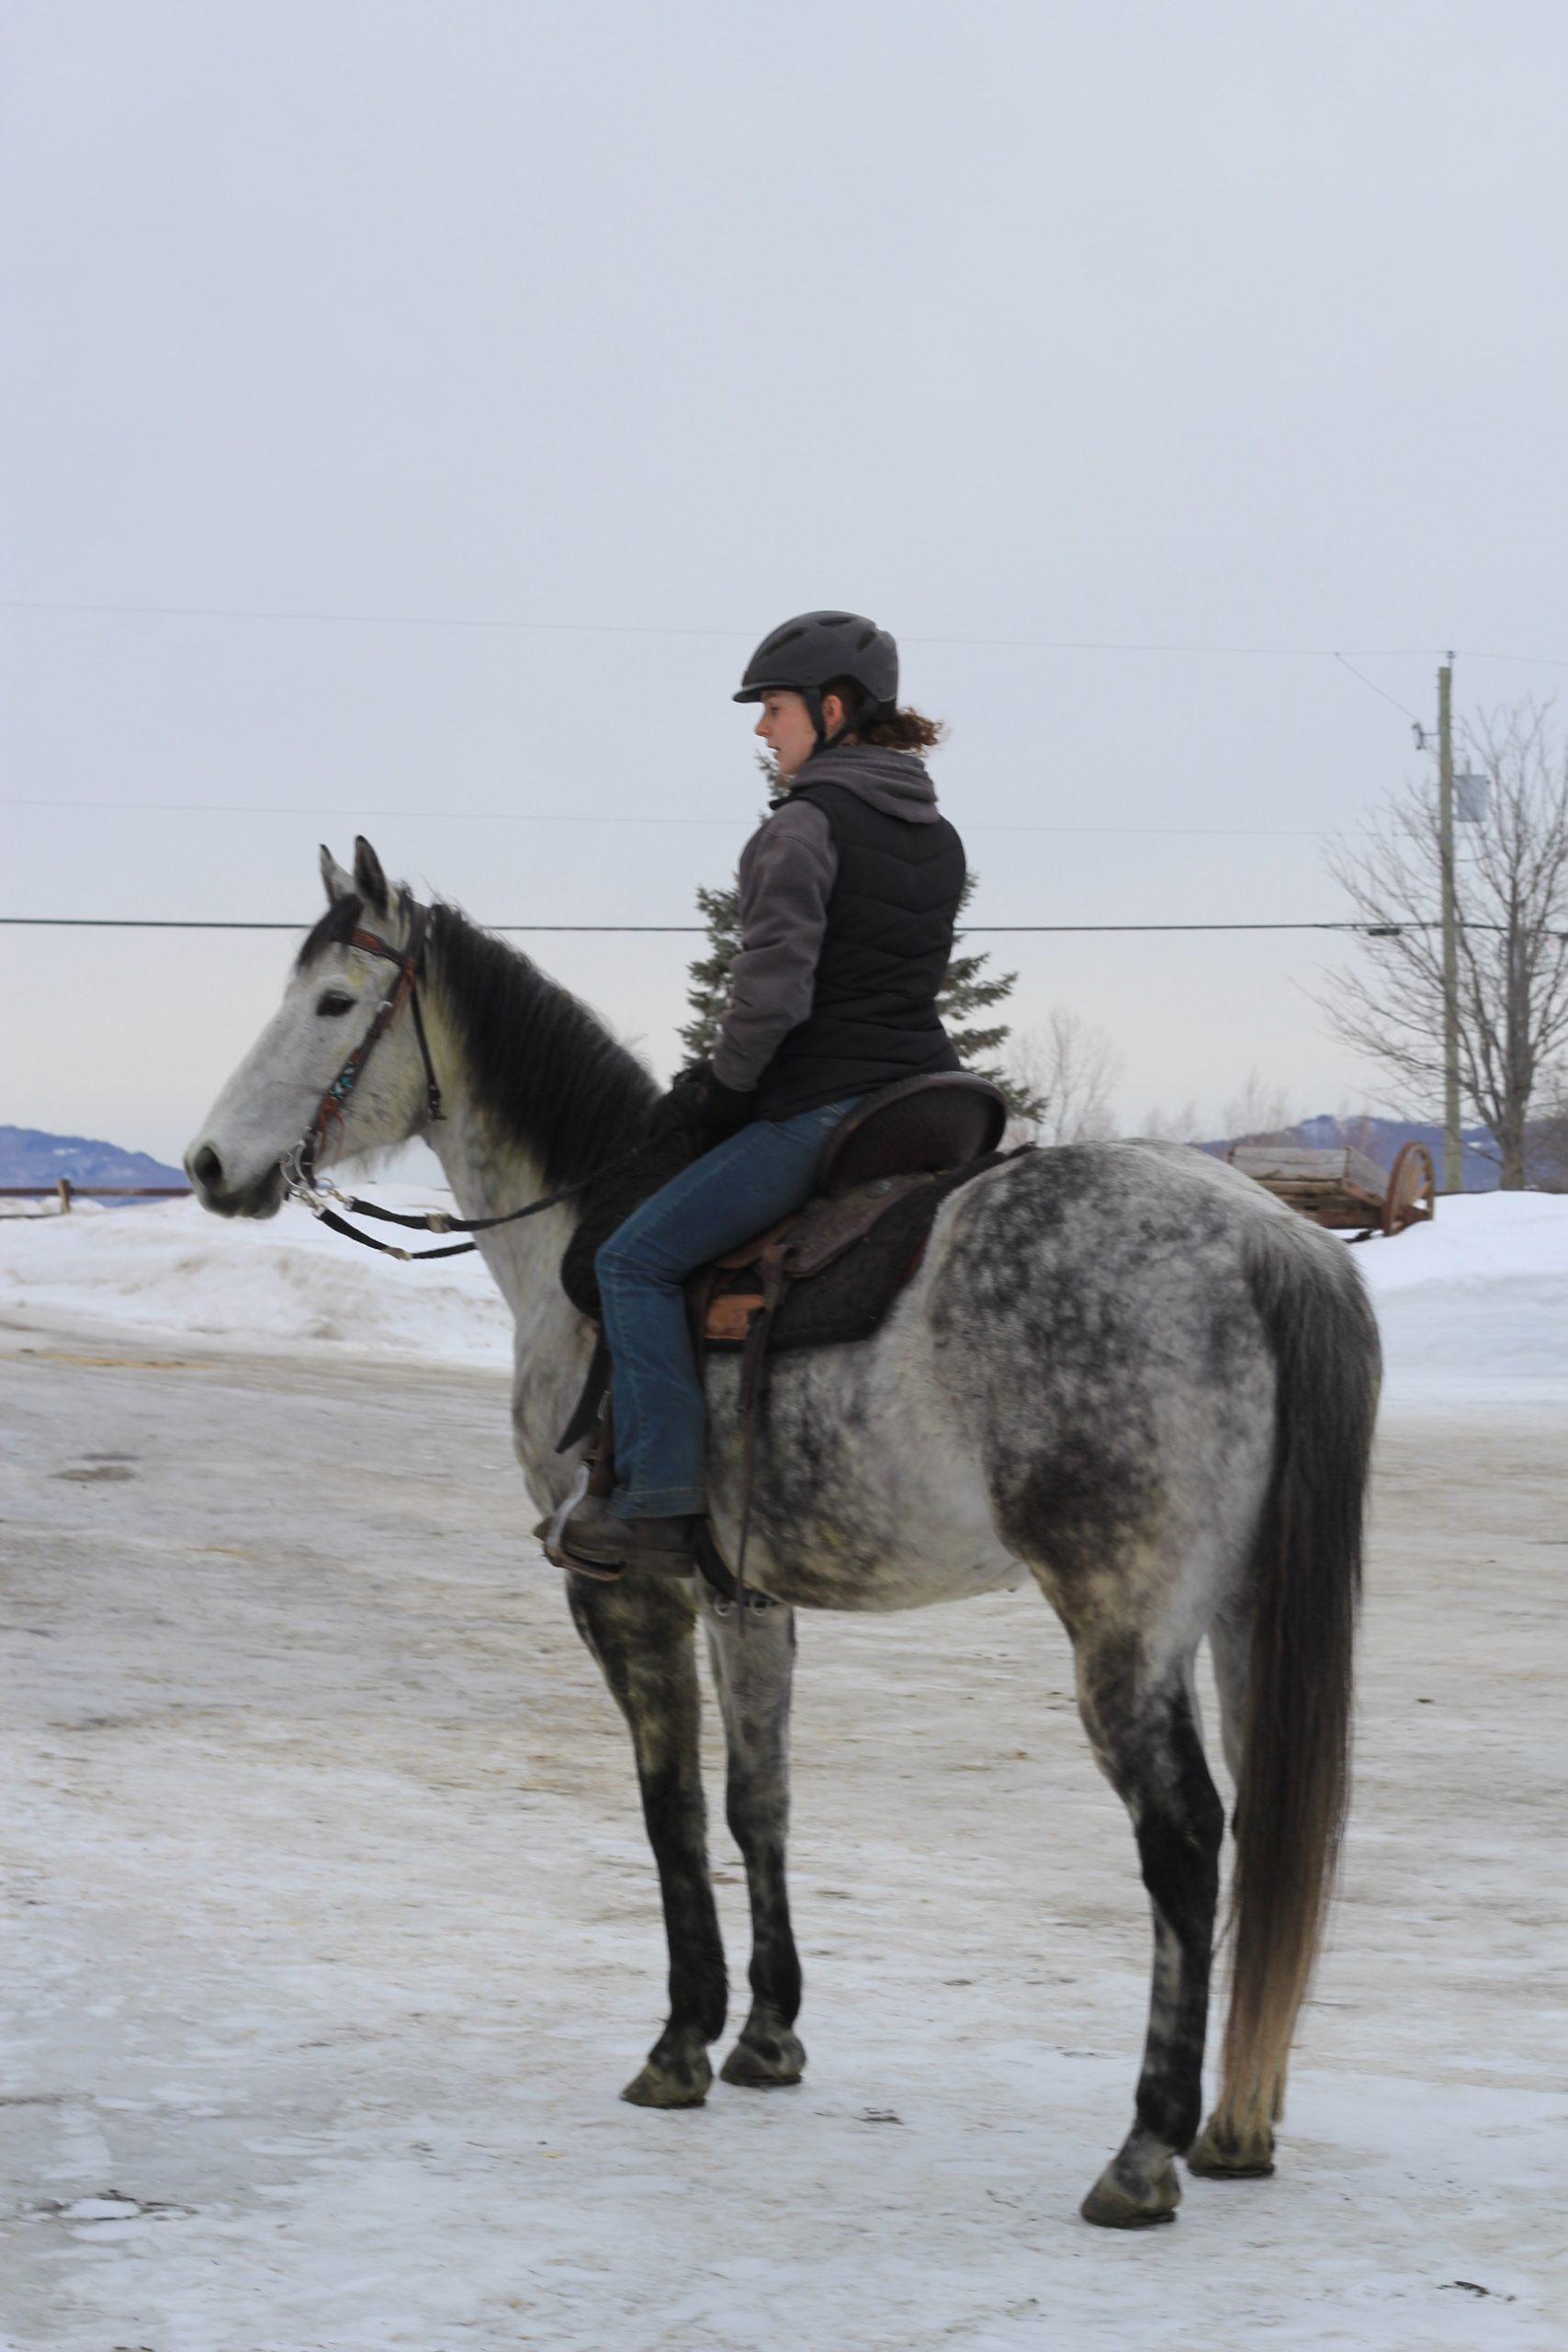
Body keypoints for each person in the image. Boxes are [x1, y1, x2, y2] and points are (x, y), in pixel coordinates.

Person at [561, 609, 968, 1575]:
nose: (761, 730)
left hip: (826, 1104)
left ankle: (658, 1504)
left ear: (832, 709)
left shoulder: (803, 827)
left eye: (774, 708)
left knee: (633, 1262)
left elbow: (771, 993)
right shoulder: (939, 834)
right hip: (930, 1096)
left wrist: (720, 1090)